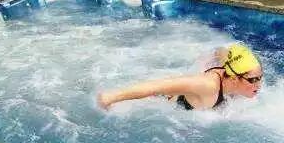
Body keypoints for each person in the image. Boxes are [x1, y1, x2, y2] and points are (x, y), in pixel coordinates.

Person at [97, 43, 262, 111]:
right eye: (253, 80)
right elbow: (156, 87)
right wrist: (110, 97)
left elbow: (221, 51)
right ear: (233, 78)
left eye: (260, 77)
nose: (259, 85)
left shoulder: (233, 73)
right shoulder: (207, 86)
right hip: (165, 104)